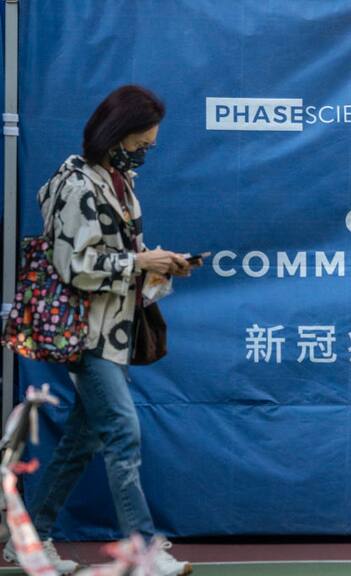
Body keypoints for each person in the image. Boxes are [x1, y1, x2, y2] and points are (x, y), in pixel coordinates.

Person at [3, 85, 195, 575]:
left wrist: (160, 263)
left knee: (81, 441)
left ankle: (29, 535)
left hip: (111, 332)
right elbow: (76, 266)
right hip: (87, 333)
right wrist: (140, 262)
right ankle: (143, 549)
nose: (144, 153)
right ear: (116, 134)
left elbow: (123, 256)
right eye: (141, 144)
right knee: (123, 433)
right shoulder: (77, 187)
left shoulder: (118, 181)